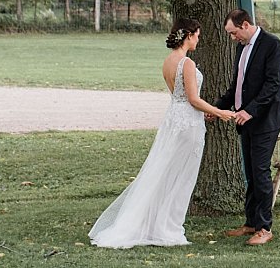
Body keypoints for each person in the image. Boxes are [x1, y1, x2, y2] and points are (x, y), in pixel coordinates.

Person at [89, 19, 234, 249]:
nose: (198, 39)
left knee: (166, 173)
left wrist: (202, 113)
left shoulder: (168, 62)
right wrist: (219, 112)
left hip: (176, 118)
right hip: (187, 124)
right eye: (197, 35)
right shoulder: (186, 63)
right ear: (188, 36)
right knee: (182, 177)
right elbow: (193, 99)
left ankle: (159, 225)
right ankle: (169, 229)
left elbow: (180, 98)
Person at [215, 8, 280, 246]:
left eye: (233, 32)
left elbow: (272, 84)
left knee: (260, 172)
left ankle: (265, 227)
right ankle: (250, 223)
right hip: (244, 120)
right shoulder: (241, 48)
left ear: (245, 25)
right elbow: (237, 85)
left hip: (265, 119)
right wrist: (216, 109)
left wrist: (250, 111)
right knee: (250, 173)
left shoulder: (272, 45)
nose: (232, 38)